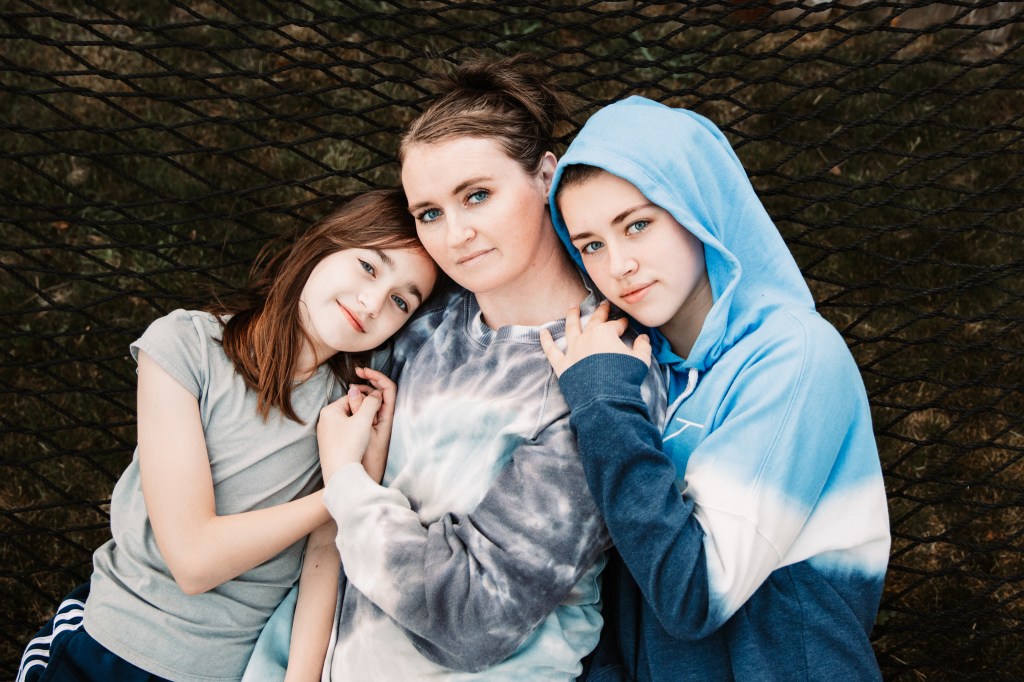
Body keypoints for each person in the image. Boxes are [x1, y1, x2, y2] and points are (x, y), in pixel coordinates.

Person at [245, 55, 665, 681]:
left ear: (545, 177)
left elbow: (472, 618)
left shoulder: (606, 370)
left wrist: (346, 481)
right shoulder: (418, 325)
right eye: (430, 213)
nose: (456, 234)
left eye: (477, 196)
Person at [16, 188, 440, 682]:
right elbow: (193, 561)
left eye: (400, 301)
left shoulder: (345, 410)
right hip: (111, 647)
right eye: (368, 266)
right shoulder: (187, 345)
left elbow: (325, 556)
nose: (371, 303)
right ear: (322, 245)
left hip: (229, 669)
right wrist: (345, 490)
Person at [539, 96, 891, 681]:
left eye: (638, 225)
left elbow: (693, 594)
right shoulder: (632, 365)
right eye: (592, 245)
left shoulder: (795, 355)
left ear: (696, 208)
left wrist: (601, 402)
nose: (618, 265)